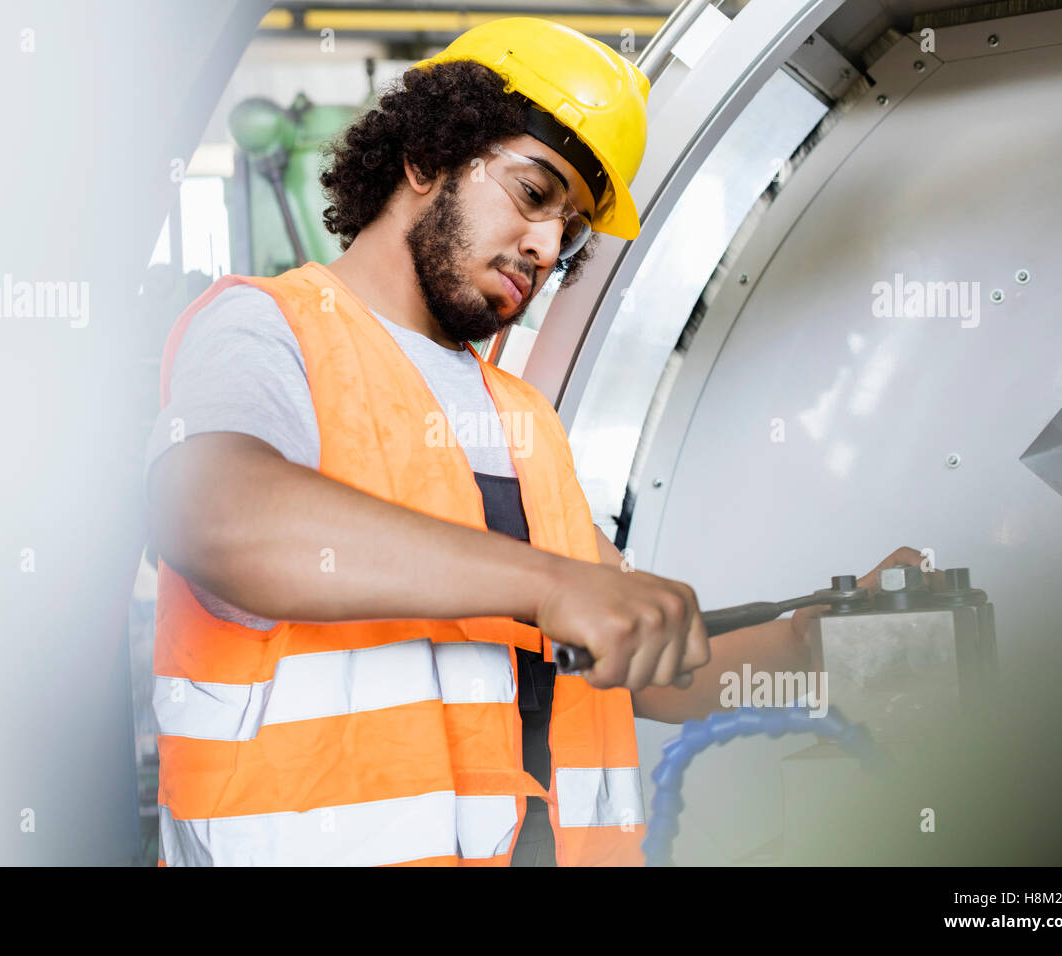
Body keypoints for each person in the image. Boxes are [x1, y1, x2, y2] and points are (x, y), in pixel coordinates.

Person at [145, 17, 917, 867]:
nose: (548, 246)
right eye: (534, 192)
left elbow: (644, 660)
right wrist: (551, 586)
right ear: (428, 156)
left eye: (573, 229)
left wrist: (832, 643)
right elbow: (220, 519)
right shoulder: (265, 328)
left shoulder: (520, 419)